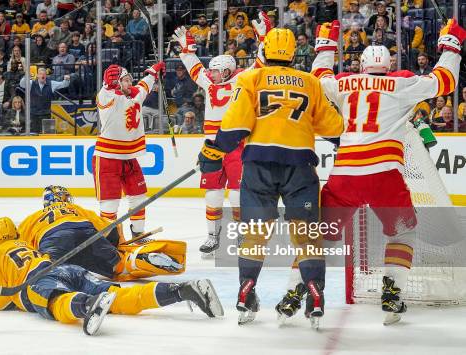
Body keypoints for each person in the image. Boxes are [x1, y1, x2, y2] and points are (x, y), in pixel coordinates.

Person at [312, 19, 464, 325]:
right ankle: (392, 293)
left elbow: (318, 77)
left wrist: (326, 44)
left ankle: (299, 291)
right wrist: (451, 45)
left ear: (363, 65)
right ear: (388, 63)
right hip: (384, 175)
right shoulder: (401, 81)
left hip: (344, 175)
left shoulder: (343, 82)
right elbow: (444, 80)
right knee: (404, 232)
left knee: (319, 236)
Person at [197, 27, 344, 326]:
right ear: (293, 53)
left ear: (264, 51)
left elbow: (236, 124)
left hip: (259, 166)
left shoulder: (251, 78)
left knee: (254, 236)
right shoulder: (310, 82)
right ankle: (315, 292)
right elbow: (333, 128)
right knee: (306, 236)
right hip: (300, 167)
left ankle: (245, 291)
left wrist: (214, 151)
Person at [0, 217, 223, 336]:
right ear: (16, 232)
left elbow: (0, 299)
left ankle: (85, 305)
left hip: (39, 281)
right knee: (118, 296)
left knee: (57, 303)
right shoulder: (28, 244)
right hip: (67, 269)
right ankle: (181, 291)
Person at [172, 14, 270, 256]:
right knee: (213, 194)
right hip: (213, 146)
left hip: (237, 145)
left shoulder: (241, 80)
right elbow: (194, 68)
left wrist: (264, 39)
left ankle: (241, 235)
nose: (210, 74)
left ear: (227, 71)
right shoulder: (209, 82)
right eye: (211, 71)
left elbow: (260, 65)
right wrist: (186, 49)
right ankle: (213, 235)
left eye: (215, 71)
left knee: (237, 194)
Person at [15, 185, 186, 281]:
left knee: (50, 274)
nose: (67, 200)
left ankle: (62, 281)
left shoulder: (33, 218)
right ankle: (137, 259)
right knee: (119, 267)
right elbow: (110, 227)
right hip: (87, 233)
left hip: (54, 241)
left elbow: (19, 246)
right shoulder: (76, 208)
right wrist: (116, 248)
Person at [93, 62, 164, 239]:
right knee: (110, 204)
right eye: (124, 80)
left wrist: (153, 72)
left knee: (139, 197)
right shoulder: (107, 96)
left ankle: (138, 234)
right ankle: (110, 240)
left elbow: (145, 85)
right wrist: (109, 85)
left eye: (129, 80)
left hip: (130, 157)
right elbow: (104, 95)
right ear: (116, 82)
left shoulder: (135, 94)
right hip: (107, 158)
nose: (129, 83)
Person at [18, 67, 70, 133]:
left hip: (46, 114)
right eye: (40, 74)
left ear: (46, 76)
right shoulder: (31, 83)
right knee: (34, 134)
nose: (42, 75)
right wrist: (26, 76)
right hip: (33, 114)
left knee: (48, 133)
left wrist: (67, 79)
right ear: (37, 75)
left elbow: (64, 84)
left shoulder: (51, 83)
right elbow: (22, 84)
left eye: (44, 74)